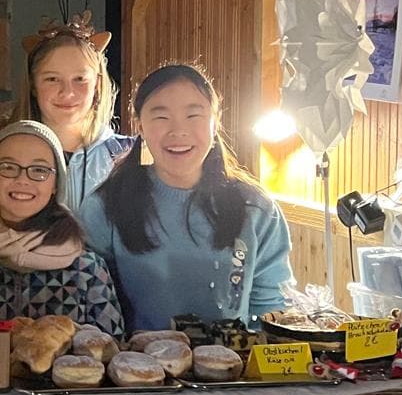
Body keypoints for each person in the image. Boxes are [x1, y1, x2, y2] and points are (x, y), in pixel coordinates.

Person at [79, 63, 293, 332]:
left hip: (235, 367)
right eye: (161, 117)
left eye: (194, 116)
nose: (178, 131)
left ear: (215, 123)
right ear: (140, 126)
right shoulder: (105, 206)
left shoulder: (255, 208)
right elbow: (90, 301)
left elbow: (271, 303)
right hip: (136, 367)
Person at [0, 10, 131, 213]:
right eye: (52, 79)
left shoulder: (130, 159)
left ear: (97, 84)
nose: (67, 92)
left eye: (80, 79)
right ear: (33, 85)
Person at [0, 121, 123, 335]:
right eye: (8, 167)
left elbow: (111, 351)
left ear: (56, 184)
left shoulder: (88, 271)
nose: (23, 179)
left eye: (39, 170)